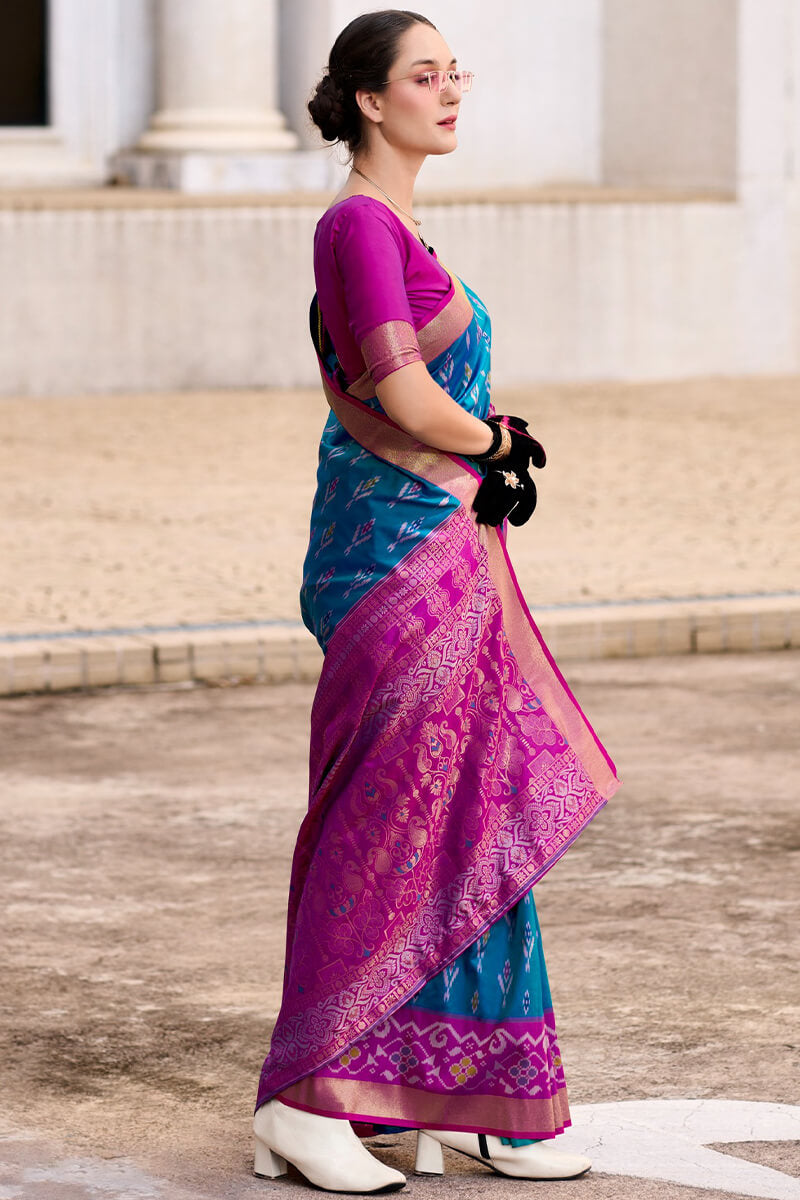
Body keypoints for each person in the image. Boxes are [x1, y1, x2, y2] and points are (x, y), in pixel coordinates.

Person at [252, 10, 620, 1193]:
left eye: (454, 73)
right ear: (369, 100)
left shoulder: (398, 221)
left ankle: (474, 1093)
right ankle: (305, 1102)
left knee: (472, 810)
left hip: (435, 547)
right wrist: (494, 439)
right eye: (424, 76)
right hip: (389, 563)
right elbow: (402, 393)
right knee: (385, 822)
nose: (449, 92)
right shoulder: (357, 223)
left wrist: (485, 453)